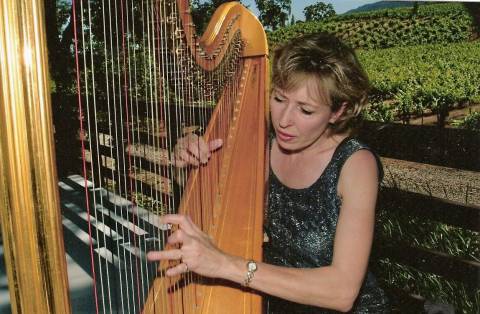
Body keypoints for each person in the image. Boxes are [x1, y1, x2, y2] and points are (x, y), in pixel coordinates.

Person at [147, 32, 390, 313]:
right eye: (279, 99)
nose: (284, 120)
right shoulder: (263, 145)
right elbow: (210, 204)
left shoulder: (356, 164)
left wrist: (225, 264)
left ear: (338, 112)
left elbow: (342, 291)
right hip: (277, 298)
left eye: (306, 110)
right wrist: (189, 165)